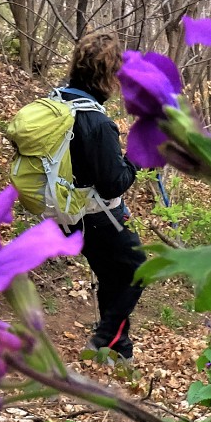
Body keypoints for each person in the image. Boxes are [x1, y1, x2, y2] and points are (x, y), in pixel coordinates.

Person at [57, 30, 145, 361]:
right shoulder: (95, 121)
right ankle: (104, 338)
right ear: (108, 76)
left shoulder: (58, 102)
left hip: (66, 213)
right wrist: (135, 154)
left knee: (112, 276)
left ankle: (118, 349)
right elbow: (114, 183)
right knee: (137, 269)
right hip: (98, 216)